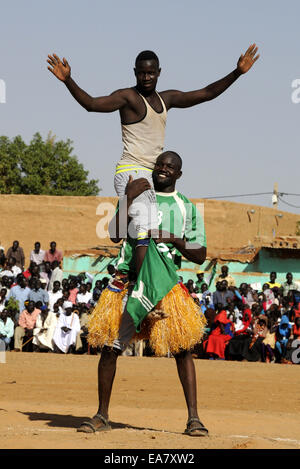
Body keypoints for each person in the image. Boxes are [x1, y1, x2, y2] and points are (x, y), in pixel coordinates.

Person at [47, 45, 259, 275]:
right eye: (141, 73)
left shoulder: (166, 99)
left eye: (150, 73)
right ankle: (141, 286)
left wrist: (236, 73)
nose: (146, 77)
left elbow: (206, 93)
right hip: (132, 170)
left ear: (159, 72)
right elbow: (92, 104)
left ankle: (140, 279)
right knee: (145, 230)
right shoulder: (127, 97)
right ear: (134, 72)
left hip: (151, 173)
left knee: (146, 231)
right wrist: (68, 80)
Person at [78, 151, 208, 436]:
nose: (162, 169)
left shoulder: (185, 207)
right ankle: (101, 415)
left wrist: (174, 238)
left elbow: (201, 254)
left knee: (183, 350)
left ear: (178, 174)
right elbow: (114, 233)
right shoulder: (136, 195)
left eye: (169, 167)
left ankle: (194, 419)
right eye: (159, 164)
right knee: (111, 347)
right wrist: (126, 198)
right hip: (128, 282)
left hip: (165, 285)